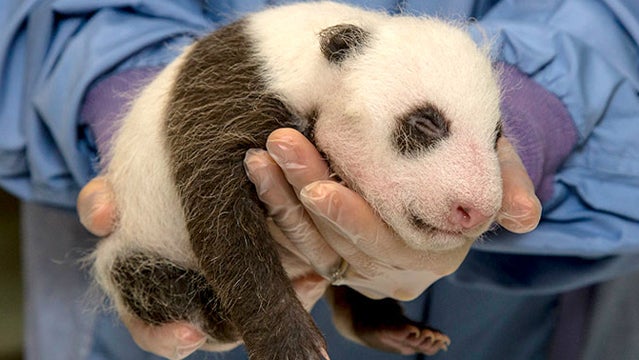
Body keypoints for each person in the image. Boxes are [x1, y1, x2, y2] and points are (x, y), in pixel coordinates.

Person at [2, 1, 639, 359]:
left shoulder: (345, 78)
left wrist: (537, 112)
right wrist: (105, 83)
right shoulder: (262, 87)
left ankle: (361, 301)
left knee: (345, 204)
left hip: (503, 326)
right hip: (137, 324)